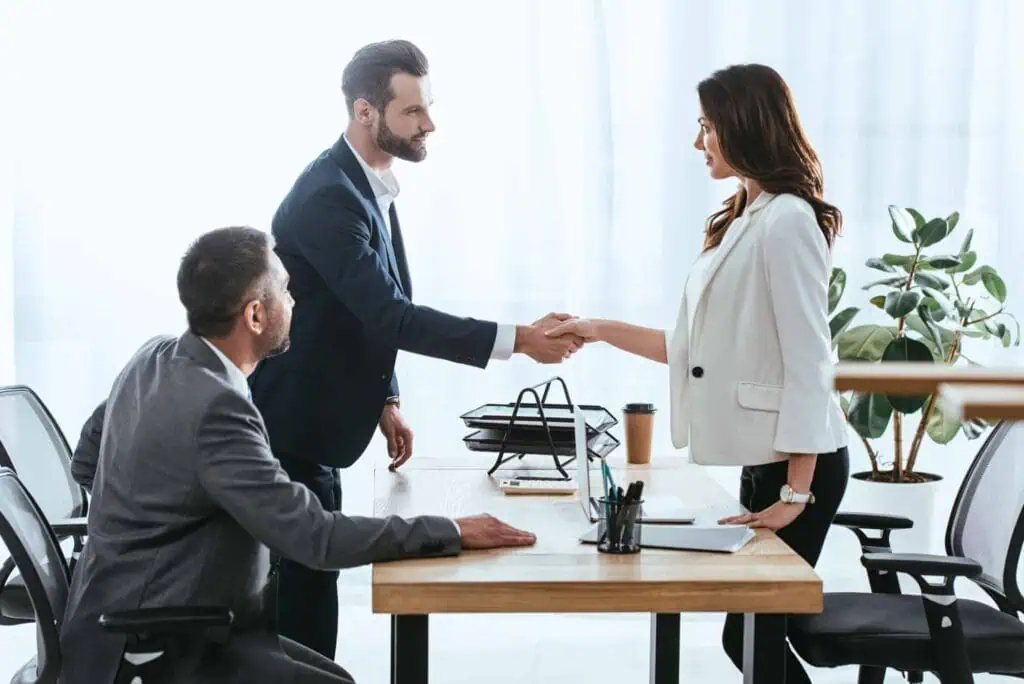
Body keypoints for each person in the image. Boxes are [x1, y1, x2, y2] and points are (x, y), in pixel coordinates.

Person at [61, 226, 536, 684]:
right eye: (286, 291)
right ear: (254, 315)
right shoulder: (217, 407)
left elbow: (86, 463)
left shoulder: (153, 356)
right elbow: (316, 538)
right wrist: (451, 529)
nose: (295, 302)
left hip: (113, 622)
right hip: (158, 647)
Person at [247, 39, 579, 659]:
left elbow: (359, 308)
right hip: (291, 433)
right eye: (413, 112)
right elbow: (390, 314)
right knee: (301, 619)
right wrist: (520, 342)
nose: (430, 124)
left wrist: (385, 398)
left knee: (313, 609)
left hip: (316, 428)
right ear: (365, 111)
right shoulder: (328, 197)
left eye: (428, 108)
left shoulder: (368, 181)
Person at [545, 64, 850, 683]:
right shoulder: (748, 216)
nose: (697, 141)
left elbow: (811, 358)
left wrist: (796, 492)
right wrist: (595, 327)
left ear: (741, 126)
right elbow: (691, 352)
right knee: (751, 635)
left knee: (752, 636)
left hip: (800, 466)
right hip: (770, 460)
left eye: (706, 126)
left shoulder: (788, 220)